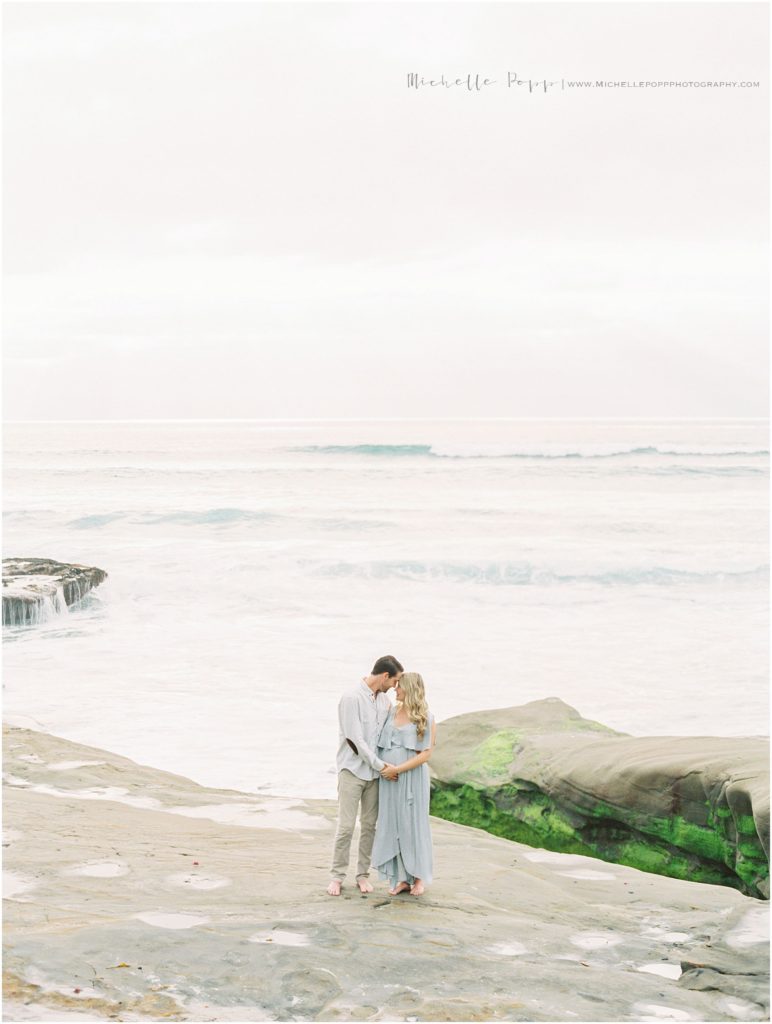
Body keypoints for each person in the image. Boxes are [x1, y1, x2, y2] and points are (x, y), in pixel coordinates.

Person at [327, 655, 404, 896]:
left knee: (370, 826)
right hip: (351, 770)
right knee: (346, 827)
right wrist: (382, 766)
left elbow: (387, 736)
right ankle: (337, 876)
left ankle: (362, 875)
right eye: (395, 681)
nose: (395, 686)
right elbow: (355, 741)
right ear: (385, 676)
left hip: (374, 775)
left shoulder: (385, 703)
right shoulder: (351, 697)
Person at [371, 671, 436, 896]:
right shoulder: (392, 711)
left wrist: (397, 769)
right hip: (389, 779)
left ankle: (418, 877)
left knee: (413, 825)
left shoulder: (425, 716)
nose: (395, 689)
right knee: (394, 824)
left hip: (411, 777)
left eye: (399, 686)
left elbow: (425, 754)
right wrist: (383, 768)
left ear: (409, 689)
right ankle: (402, 879)